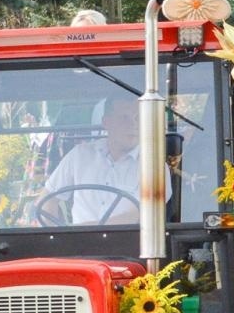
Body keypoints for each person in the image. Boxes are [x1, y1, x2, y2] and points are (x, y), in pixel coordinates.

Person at [41, 96, 156, 225]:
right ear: (106, 122)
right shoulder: (80, 155)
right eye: (124, 118)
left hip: (130, 243)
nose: (134, 125)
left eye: (138, 118)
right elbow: (46, 199)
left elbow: (144, 214)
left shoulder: (154, 165)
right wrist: (58, 238)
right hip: (78, 243)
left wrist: (85, 230)